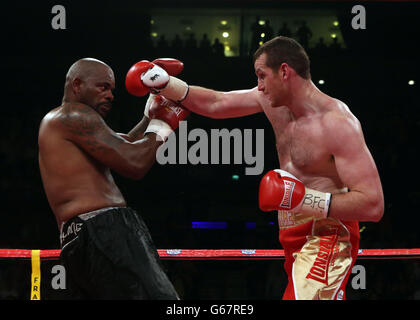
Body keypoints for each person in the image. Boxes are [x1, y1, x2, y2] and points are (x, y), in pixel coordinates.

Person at [132, 36, 385, 300]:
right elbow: (217, 103)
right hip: (291, 230)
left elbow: (372, 205)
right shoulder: (272, 102)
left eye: (262, 76)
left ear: (285, 71)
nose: (259, 86)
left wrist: (303, 199)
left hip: (328, 233)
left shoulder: (337, 123)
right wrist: (166, 84)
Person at [38, 57, 188, 299]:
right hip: (104, 230)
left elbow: (126, 144)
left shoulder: (65, 122)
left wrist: (151, 111)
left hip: (77, 239)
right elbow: (134, 162)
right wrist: (164, 124)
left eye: (112, 89)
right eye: (103, 87)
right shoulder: (75, 115)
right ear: (77, 84)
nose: (110, 95)